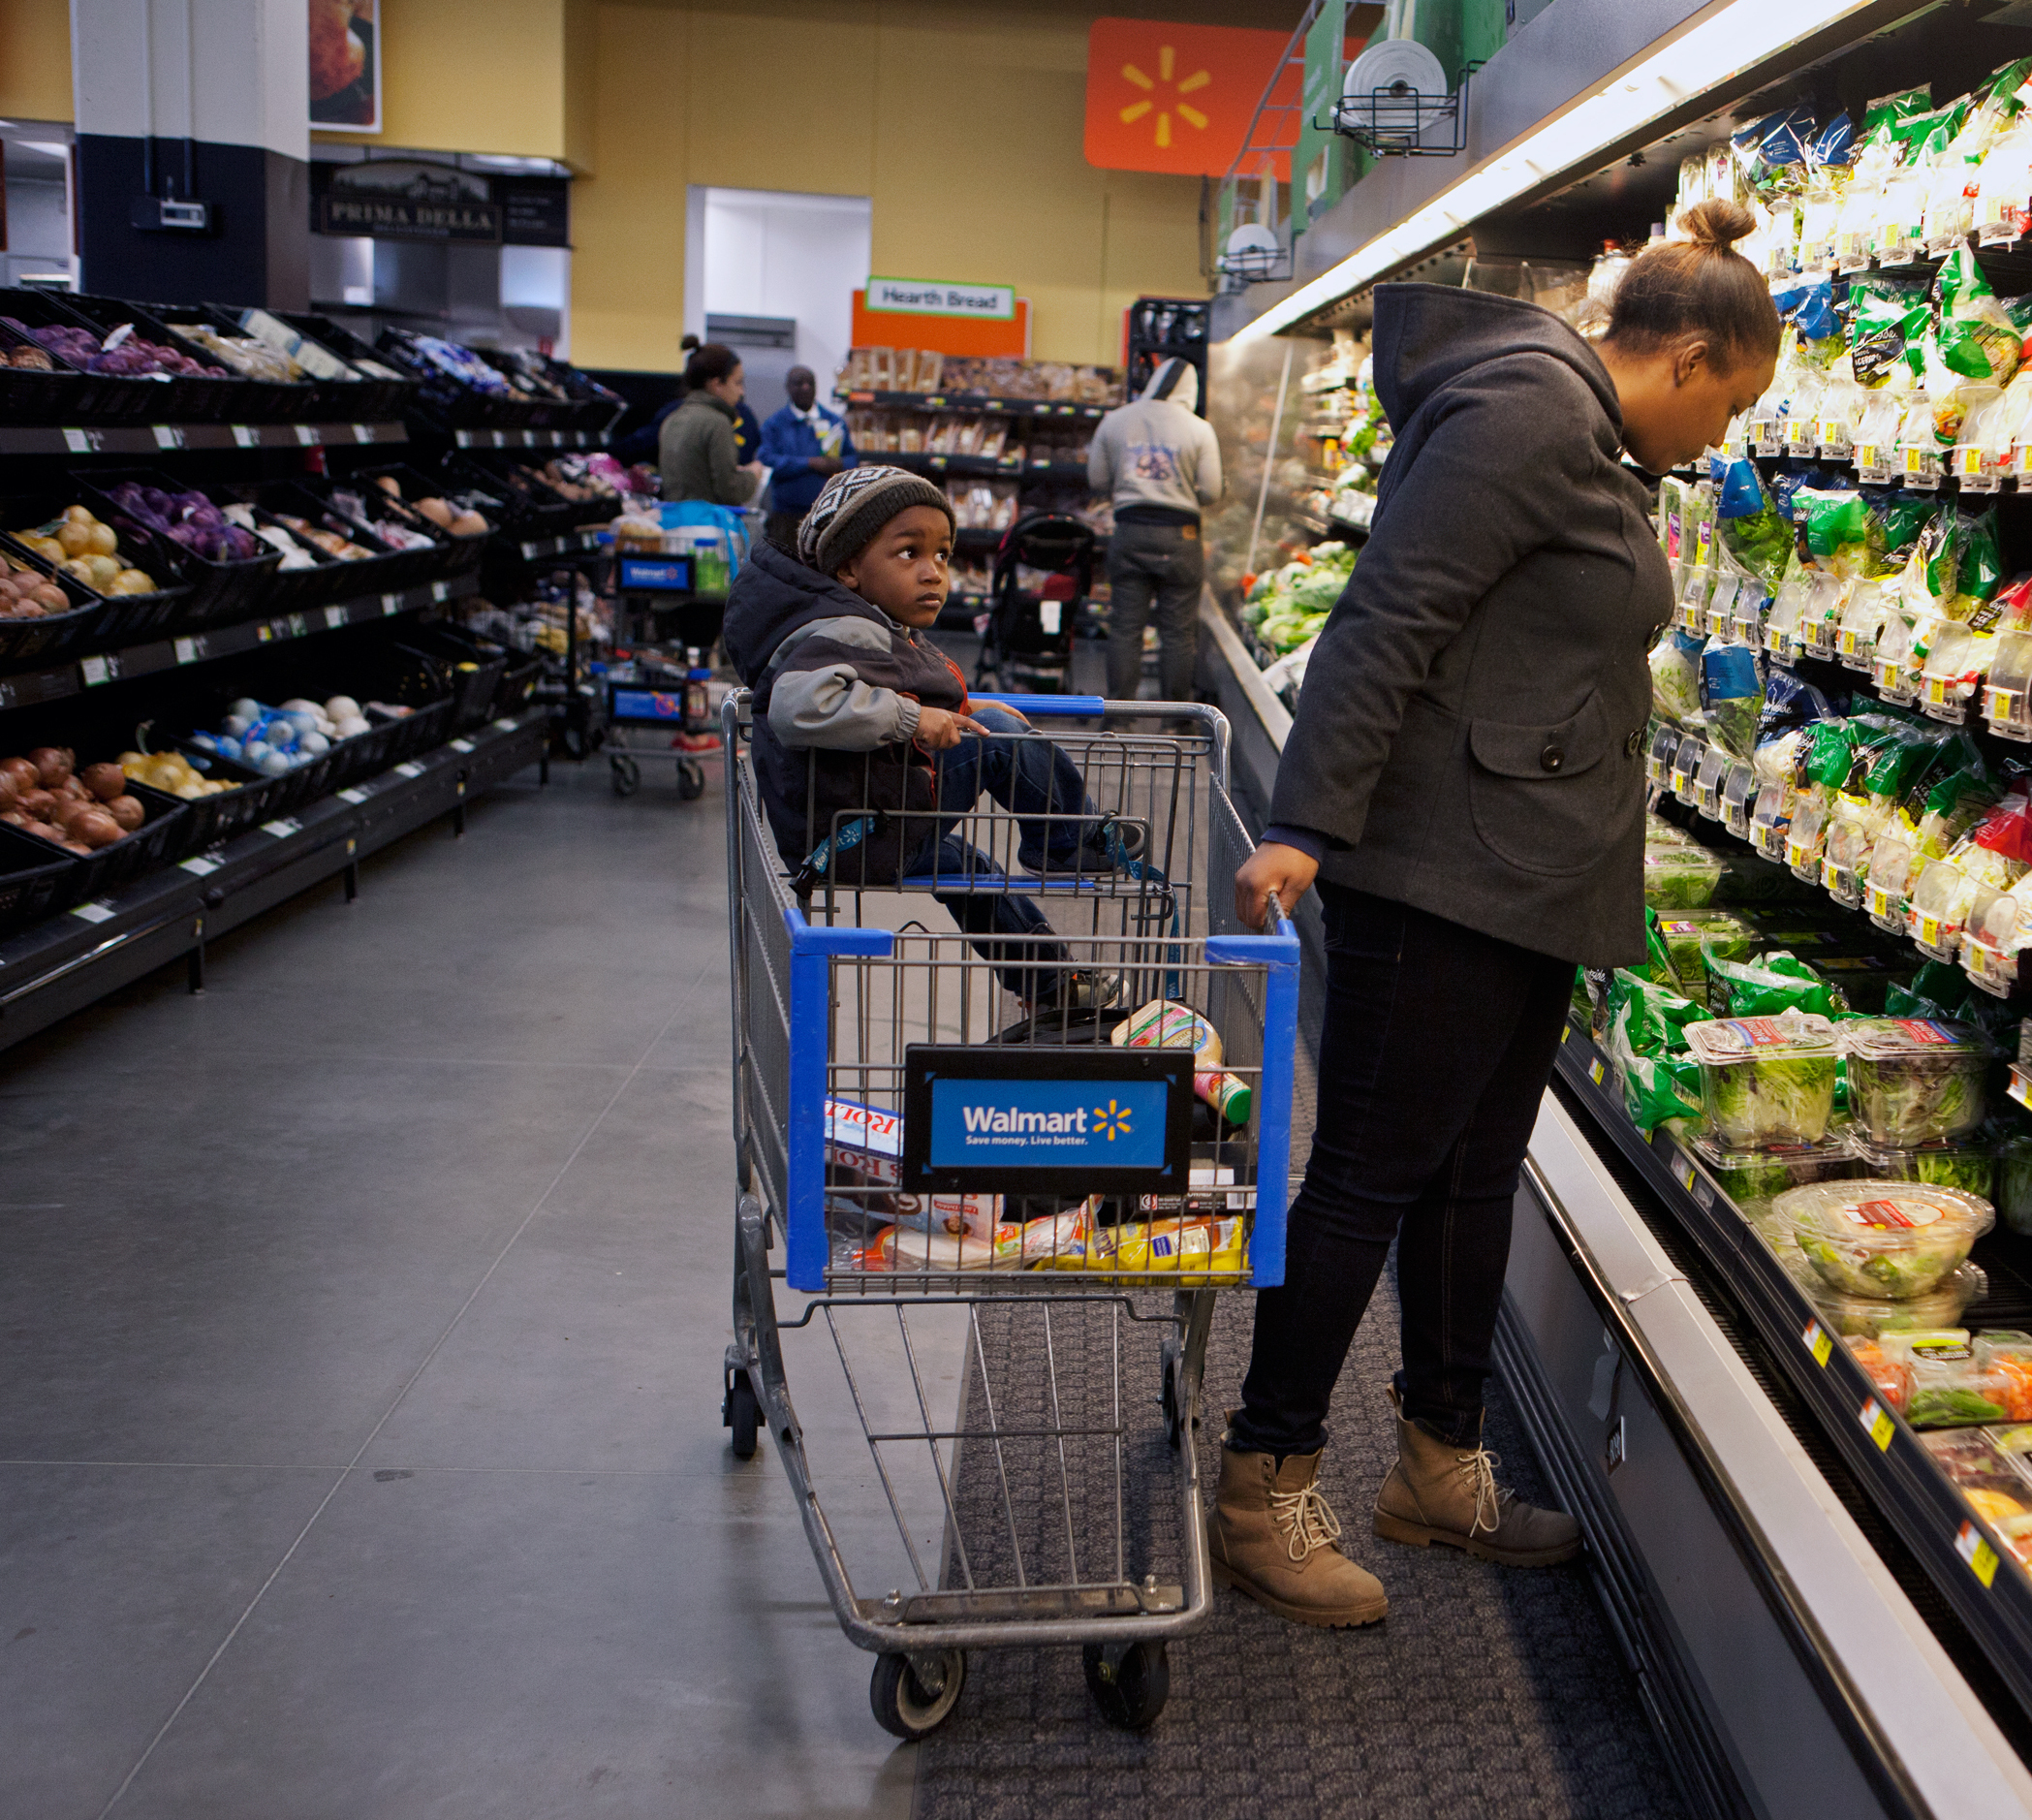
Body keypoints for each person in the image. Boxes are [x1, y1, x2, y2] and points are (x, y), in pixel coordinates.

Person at [1211, 200, 1782, 1629]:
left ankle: (1438, 1463)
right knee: (1366, 1178)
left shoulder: (1588, 434)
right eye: (1729, 404)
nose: (1719, 439)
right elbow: (1388, 613)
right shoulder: (1530, 411)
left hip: (1528, 871)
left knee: (1475, 1179)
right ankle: (1261, 1480)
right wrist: (1303, 823)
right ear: (1690, 354)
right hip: (1442, 871)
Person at [722, 466, 1122, 1011]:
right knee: (1002, 738)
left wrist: (957, 708)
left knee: (970, 874)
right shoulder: (849, 629)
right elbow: (799, 705)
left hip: (854, 831)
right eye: (908, 553)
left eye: (942, 555)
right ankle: (1069, 841)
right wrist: (912, 720)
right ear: (848, 569)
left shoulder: (863, 621)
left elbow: (880, 688)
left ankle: (1051, 985)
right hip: (863, 823)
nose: (933, 573)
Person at [1085, 356, 1221, 701]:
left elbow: (1097, 479)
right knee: (1178, 633)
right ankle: (1177, 721)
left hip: (1130, 531)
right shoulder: (1198, 429)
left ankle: (1118, 717)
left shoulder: (1115, 420)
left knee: (1126, 628)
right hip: (1180, 537)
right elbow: (1211, 491)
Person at [759, 363, 858, 555]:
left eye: (810, 383)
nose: (805, 388)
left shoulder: (834, 422)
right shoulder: (775, 424)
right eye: (798, 383)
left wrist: (839, 465)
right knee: (786, 567)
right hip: (786, 516)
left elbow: (852, 458)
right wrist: (809, 463)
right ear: (788, 388)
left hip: (826, 515)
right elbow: (767, 459)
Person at [659, 342, 769, 507]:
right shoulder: (717, 423)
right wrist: (753, 474)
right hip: (707, 527)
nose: (741, 392)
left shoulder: (672, 420)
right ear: (717, 384)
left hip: (674, 524)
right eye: (738, 383)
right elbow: (730, 491)